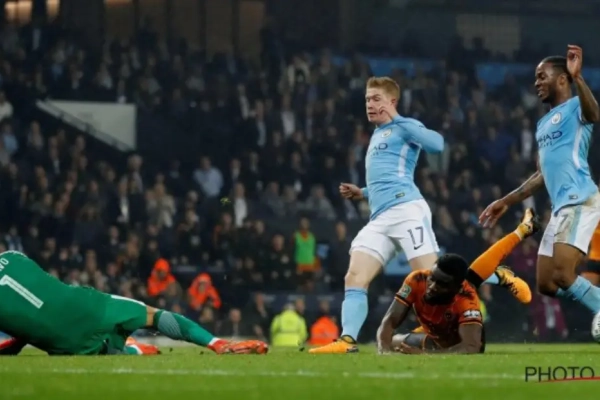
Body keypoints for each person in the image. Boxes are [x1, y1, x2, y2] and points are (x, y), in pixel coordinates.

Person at [310, 77, 529, 354]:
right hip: (380, 217)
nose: (370, 104)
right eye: (367, 99)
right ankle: (347, 341)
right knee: (354, 276)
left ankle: (497, 275)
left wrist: (397, 117)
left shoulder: (405, 126)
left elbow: (438, 144)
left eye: (376, 99)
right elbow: (388, 179)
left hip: (406, 211)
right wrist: (363, 192)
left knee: (435, 277)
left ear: (392, 102)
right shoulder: (377, 134)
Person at [479, 45, 600, 323]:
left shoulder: (577, 106)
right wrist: (506, 201)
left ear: (562, 79)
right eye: (536, 78)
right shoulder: (543, 124)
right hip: (560, 208)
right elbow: (541, 174)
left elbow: (595, 115)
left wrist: (578, 77)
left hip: (580, 198)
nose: (537, 83)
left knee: (563, 274)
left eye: (542, 76)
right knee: (546, 283)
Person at [0, 251, 268, 356]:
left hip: (63, 342)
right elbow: (41, 294)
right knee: (153, 316)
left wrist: (22, 337)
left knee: (96, 349)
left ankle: (132, 350)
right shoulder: (14, 256)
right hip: (86, 306)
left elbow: (18, 335)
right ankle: (217, 344)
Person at [377, 209, 540, 354]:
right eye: (432, 278)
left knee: (471, 279)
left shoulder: (466, 297)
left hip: (456, 337)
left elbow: (471, 347)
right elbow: (390, 321)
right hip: (435, 332)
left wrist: (426, 356)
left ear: (458, 288)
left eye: (441, 284)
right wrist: (384, 350)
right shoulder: (418, 279)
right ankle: (499, 269)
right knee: (395, 342)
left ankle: (502, 268)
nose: (432, 286)